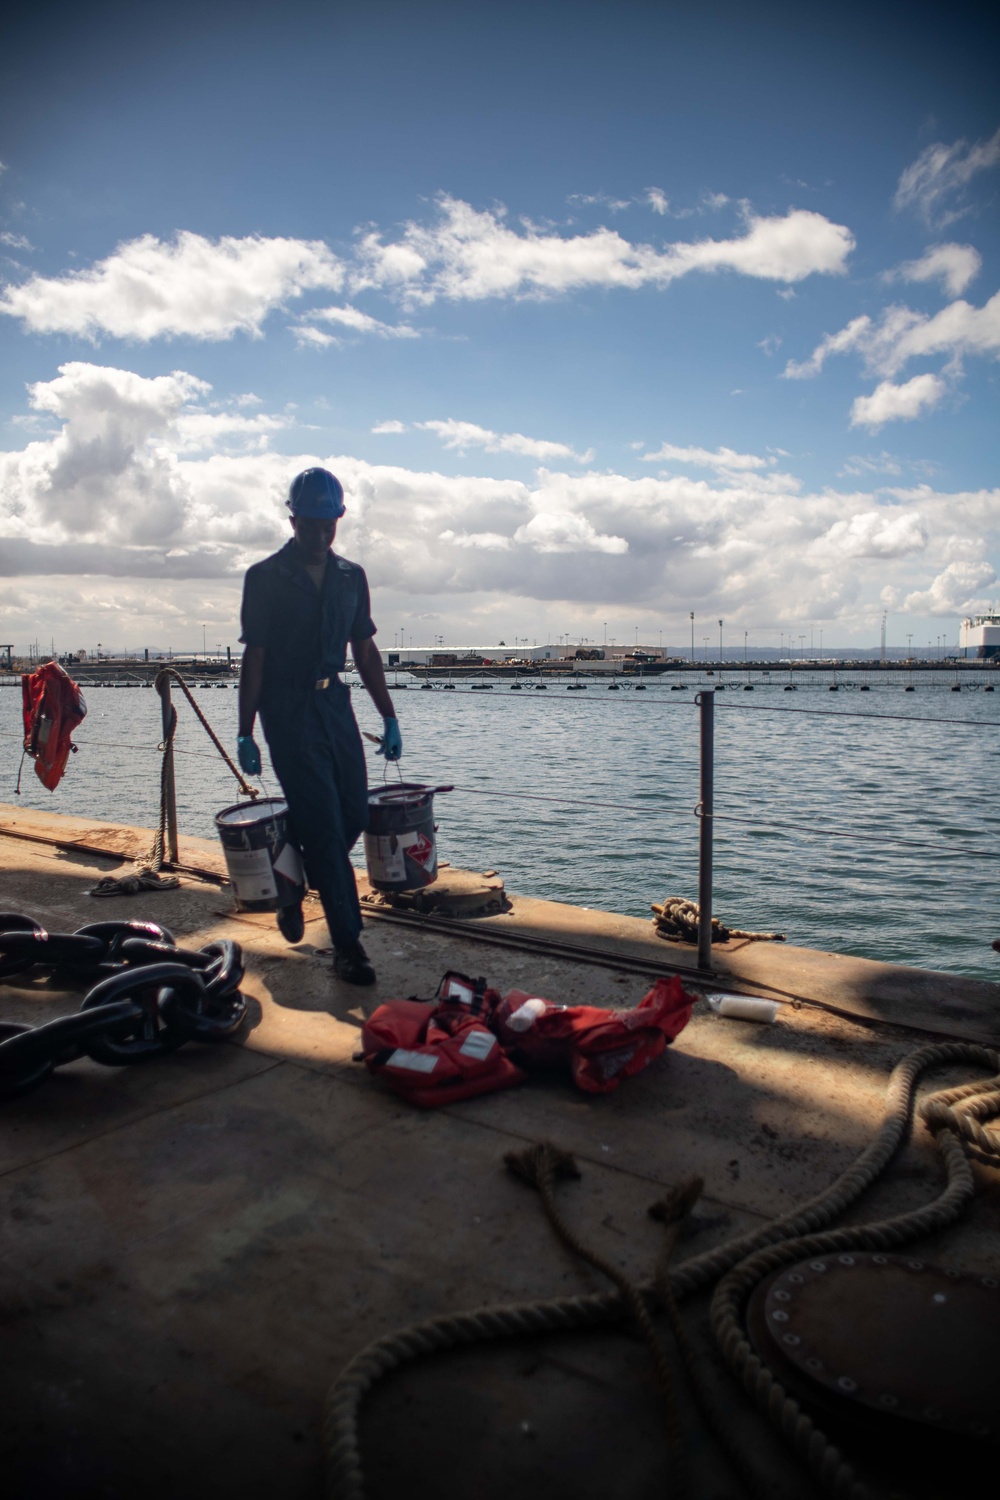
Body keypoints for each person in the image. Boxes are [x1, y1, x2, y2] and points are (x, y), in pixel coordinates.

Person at [236, 468, 402, 985]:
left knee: (353, 813)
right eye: (309, 524)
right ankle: (348, 945)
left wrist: (389, 715)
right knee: (328, 831)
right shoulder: (263, 577)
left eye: (327, 524)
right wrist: (246, 730)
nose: (318, 534)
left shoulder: (352, 576)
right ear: (293, 520)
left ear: (339, 519)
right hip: (286, 712)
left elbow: (366, 650)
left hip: (337, 709)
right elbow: (255, 658)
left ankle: (290, 876)